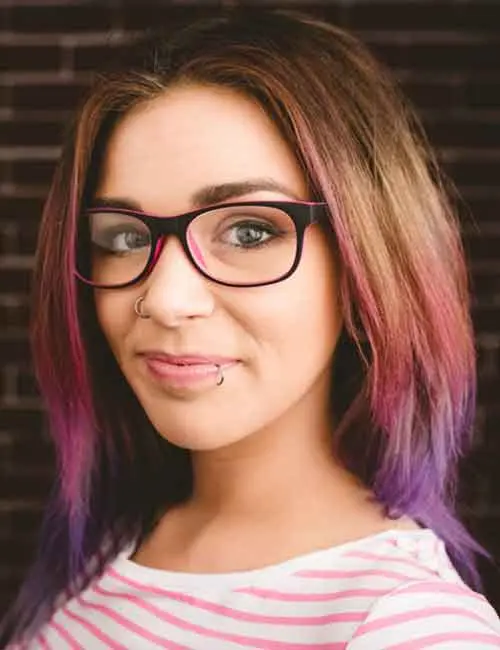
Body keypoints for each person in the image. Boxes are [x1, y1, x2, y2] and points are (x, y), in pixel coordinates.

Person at [2, 7, 500, 648]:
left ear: (364, 261)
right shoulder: (110, 545)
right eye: (125, 237)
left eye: (249, 230)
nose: (166, 299)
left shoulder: (408, 628)